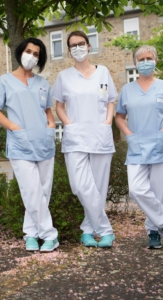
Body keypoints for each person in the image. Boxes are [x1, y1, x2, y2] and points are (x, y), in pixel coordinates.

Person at [0, 38, 58, 252]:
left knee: (42, 191)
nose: (32, 56)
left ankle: (31, 233)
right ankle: (50, 235)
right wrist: (14, 128)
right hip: (20, 143)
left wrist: (51, 125)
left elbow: (47, 109)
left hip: (44, 142)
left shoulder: (43, 83)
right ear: (20, 52)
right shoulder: (5, 81)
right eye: (29, 51)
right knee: (31, 190)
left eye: (36, 54)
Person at [52, 31, 117, 248]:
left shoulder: (103, 72)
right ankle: (106, 229)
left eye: (81, 44)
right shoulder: (64, 76)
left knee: (98, 187)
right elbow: (58, 105)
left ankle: (88, 230)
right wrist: (68, 124)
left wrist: (108, 121)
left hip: (100, 135)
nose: (78, 48)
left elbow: (111, 100)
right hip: (75, 136)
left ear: (89, 46)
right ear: (69, 51)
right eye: (73, 46)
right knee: (79, 185)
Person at [115, 45, 163, 249]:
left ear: (156, 61)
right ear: (135, 64)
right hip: (137, 146)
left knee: (160, 193)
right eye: (141, 59)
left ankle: (153, 231)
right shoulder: (127, 90)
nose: (145, 62)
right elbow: (119, 117)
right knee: (136, 190)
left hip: (160, 145)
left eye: (149, 58)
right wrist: (129, 135)